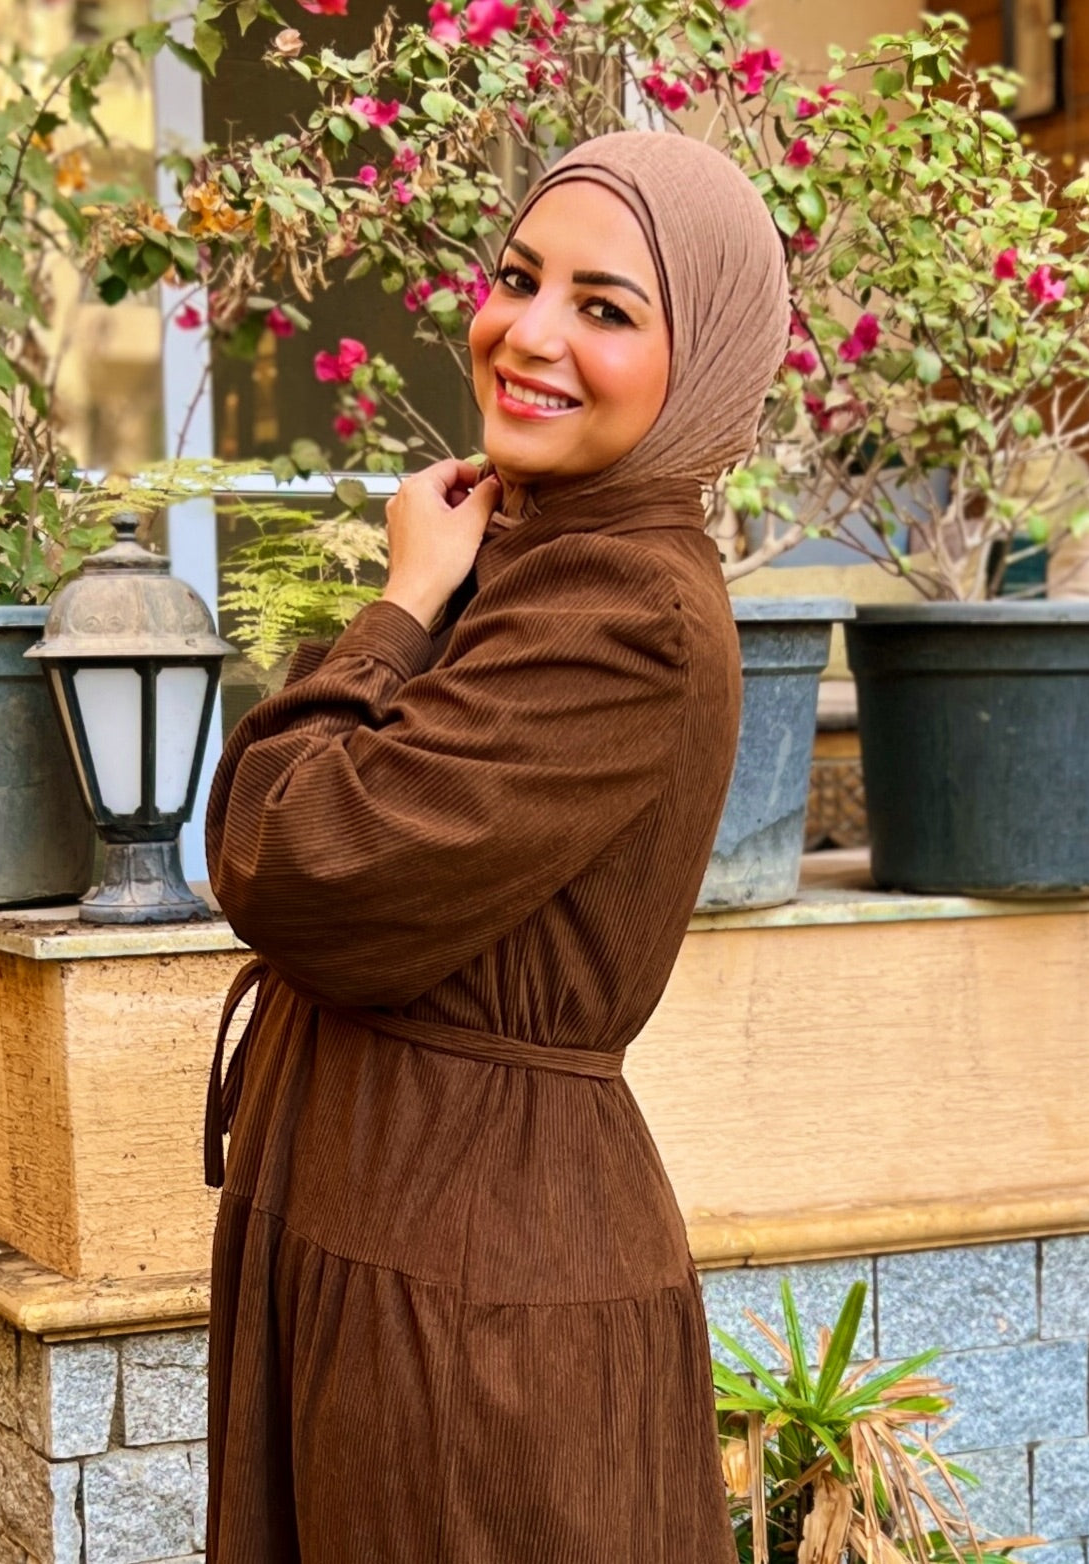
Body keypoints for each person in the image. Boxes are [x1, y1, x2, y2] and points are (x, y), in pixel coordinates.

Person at [203, 130, 789, 1562]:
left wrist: (399, 606)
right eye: (519, 279)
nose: (528, 334)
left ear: (702, 361)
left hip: (468, 1284)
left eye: (606, 308)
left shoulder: (622, 606)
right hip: (403, 1228)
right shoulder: (526, 556)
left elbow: (292, 857)